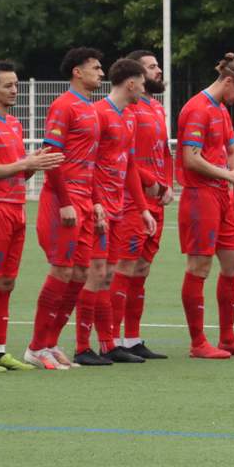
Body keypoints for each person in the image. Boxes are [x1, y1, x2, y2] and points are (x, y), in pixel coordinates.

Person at [0, 61, 63, 371]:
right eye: (8, 85)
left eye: (16, 84)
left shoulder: (14, 124)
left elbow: (17, 174)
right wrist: (23, 164)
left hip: (17, 208)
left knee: (7, 282)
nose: (14, 90)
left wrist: (36, 163)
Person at [176, 53, 234, 359]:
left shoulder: (221, 110)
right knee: (199, 266)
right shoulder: (197, 109)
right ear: (228, 81)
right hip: (200, 195)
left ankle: (227, 338)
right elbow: (191, 158)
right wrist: (230, 175)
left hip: (221, 195)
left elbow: (232, 147)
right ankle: (198, 342)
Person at [25, 48, 104, 370]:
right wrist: (66, 202)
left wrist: (97, 201)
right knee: (62, 270)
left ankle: (51, 342)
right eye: (96, 67)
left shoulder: (91, 108)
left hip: (86, 200)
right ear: (77, 72)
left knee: (80, 274)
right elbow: (52, 158)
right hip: (64, 201)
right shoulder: (63, 106)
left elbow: (92, 162)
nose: (101, 72)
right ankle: (35, 347)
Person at [74, 57, 155, 366]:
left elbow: (130, 165)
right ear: (131, 83)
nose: (145, 89)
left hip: (120, 208)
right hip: (99, 209)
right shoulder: (99, 114)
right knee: (95, 274)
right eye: (143, 84)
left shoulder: (130, 117)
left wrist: (143, 208)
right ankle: (83, 347)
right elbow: (88, 164)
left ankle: (108, 345)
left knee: (108, 275)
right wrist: (95, 202)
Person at [108, 50, 172, 360]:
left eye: (157, 65)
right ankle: (112, 339)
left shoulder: (156, 107)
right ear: (135, 76)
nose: (157, 71)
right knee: (124, 267)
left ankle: (132, 338)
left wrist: (167, 184)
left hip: (155, 199)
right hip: (133, 199)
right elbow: (128, 157)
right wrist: (151, 181)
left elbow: (165, 152)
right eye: (151, 67)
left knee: (142, 270)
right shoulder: (128, 110)